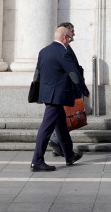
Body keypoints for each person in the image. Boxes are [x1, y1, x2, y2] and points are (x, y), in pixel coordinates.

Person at [30, 24, 84, 172]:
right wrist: (83, 89)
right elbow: (73, 72)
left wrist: (37, 94)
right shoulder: (63, 52)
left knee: (61, 126)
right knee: (46, 128)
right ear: (65, 37)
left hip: (48, 94)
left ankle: (69, 154)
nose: (72, 37)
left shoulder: (44, 51)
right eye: (71, 34)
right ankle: (37, 161)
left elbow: (38, 73)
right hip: (57, 96)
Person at [48, 22, 90, 157]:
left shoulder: (64, 48)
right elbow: (70, 70)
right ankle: (56, 141)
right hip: (65, 89)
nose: (74, 34)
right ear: (65, 33)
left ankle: (61, 147)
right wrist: (82, 88)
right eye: (72, 31)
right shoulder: (62, 49)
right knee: (66, 117)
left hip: (63, 89)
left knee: (63, 118)